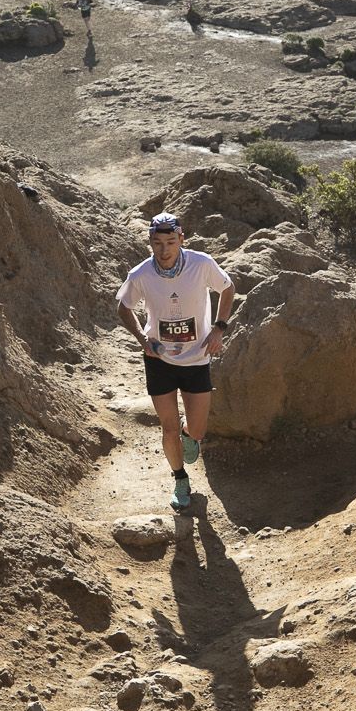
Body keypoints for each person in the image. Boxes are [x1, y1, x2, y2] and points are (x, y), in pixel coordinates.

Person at [116, 212, 234, 512]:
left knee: (196, 430)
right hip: (159, 359)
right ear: (150, 243)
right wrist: (144, 341)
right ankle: (180, 479)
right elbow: (123, 306)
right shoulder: (141, 274)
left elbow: (227, 287)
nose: (164, 250)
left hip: (196, 358)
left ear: (181, 239)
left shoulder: (201, 264)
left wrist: (219, 328)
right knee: (166, 428)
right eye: (157, 243)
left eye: (170, 242)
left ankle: (188, 434)